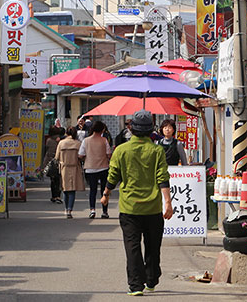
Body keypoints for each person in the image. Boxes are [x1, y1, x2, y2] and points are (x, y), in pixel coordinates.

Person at [101, 110, 173, 296]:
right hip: (153, 208)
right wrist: (168, 203)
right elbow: (162, 177)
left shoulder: (121, 150)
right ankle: (151, 279)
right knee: (153, 246)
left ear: (131, 128)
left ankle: (135, 286)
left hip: (129, 208)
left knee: (132, 246)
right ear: (151, 130)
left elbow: (113, 175)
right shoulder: (157, 151)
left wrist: (106, 194)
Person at [79, 121, 112, 219]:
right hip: (103, 167)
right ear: (102, 130)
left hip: (90, 168)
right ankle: (105, 211)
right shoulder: (104, 140)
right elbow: (109, 154)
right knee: (104, 191)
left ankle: (92, 210)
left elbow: (81, 155)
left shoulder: (86, 141)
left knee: (92, 190)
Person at [55, 126, 85, 218]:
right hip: (75, 167)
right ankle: (69, 209)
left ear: (66, 133)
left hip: (64, 167)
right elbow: (82, 157)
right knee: (72, 190)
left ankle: (66, 208)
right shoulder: (78, 143)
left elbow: (56, 157)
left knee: (65, 189)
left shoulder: (61, 143)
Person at [43, 126, 64, 204]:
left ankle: (53, 196)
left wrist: (44, 165)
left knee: (53, 180)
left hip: (50, 162)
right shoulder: (60, 140)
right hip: (59, 161)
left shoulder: (48, 140)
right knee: (59, 180)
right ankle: (58, 196)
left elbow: (47, 153)